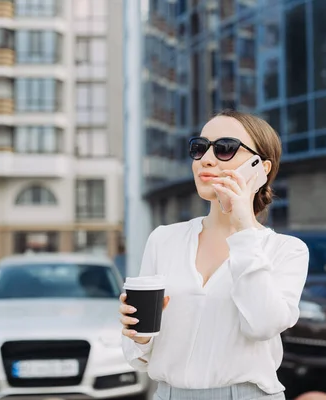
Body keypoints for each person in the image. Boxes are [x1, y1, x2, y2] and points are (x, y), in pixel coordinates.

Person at [119, 109, 310, 400]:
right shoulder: (163, 239)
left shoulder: (287, 250)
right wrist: (139, 335)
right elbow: (138, 354)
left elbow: (263, 325)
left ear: (261, 168)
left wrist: (244, 227)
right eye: (199, 148)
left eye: (224, 148)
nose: (206, 159)